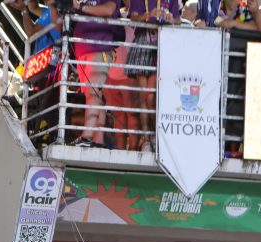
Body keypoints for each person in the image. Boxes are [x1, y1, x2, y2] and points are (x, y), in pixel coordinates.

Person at [126, 0, 181, 152]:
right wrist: (148, 15)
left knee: (153, 96)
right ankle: (146, 138)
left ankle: (156, 135)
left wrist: (171, 19)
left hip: (163, 42)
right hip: (144, 41)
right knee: (145, 95)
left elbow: (179, 20)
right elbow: (133, 18)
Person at [70, 0, 122, 148]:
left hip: (100, 46)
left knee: (93, 93)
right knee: (93, 95)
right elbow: (58, 22)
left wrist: (80, 7)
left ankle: (86, 137)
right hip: (81, 49)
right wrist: (54, 5)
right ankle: (97, 139)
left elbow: (109, 9)